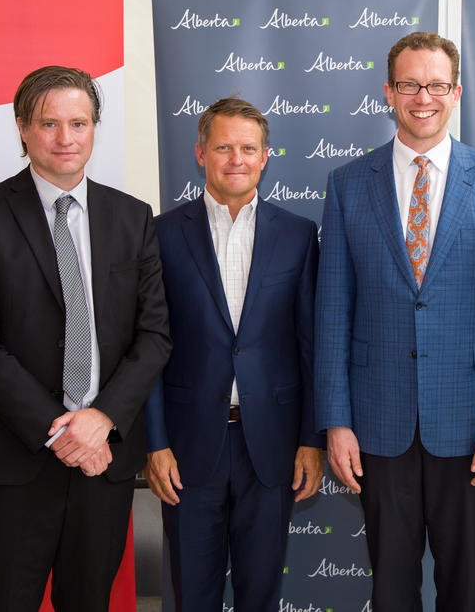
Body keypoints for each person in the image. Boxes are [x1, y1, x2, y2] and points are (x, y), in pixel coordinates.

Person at [0, 65, 172, 611]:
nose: (65, 139)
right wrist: (61, 431)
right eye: (48, 124)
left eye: (79, 122)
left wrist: (101, 419)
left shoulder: (132, 217)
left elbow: (154, 335)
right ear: (22, 128)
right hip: (12, 460)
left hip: (102, 460)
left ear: (94, 127)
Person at [315, 31, 475, 610]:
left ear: (456, 92)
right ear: (389, 92)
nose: (422, 97)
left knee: (464, 587)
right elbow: (332, 311)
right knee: (390, 588)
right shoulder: (346, 185)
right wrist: (335, 420)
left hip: (468, 427)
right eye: (410, 84)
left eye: (435, 85)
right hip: (377, 423)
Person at [142, 97, 324, 611]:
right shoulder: (159, 235)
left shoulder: (299, 235)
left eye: (248, 148)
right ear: (201, 153)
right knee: (192, 595)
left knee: (260, 594)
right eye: (223, 147)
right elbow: (149, 346)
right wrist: (155, 443)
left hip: (270, 445)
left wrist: (311, 440)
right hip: (187, 446)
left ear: (266, 156)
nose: (236, 159)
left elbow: (310, 346)